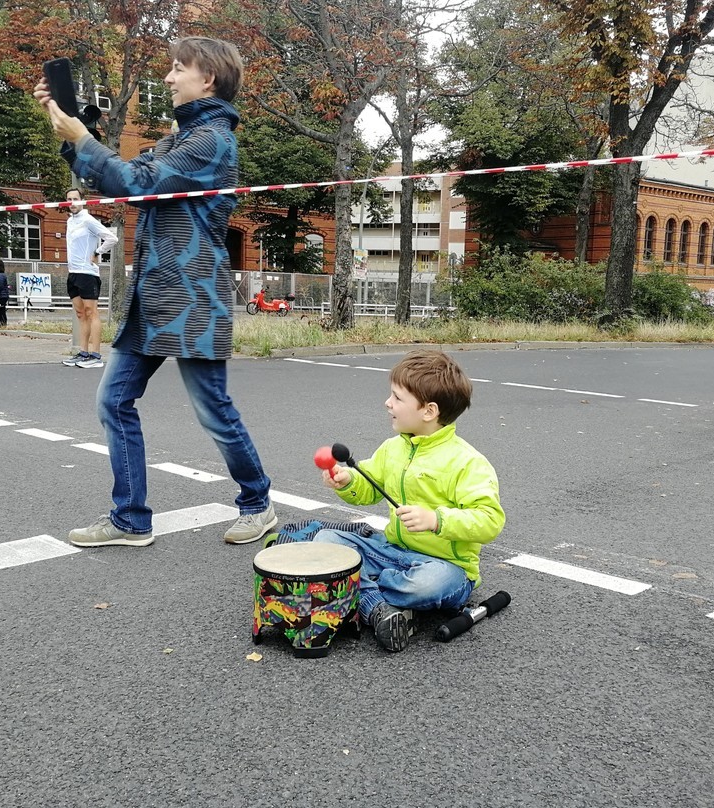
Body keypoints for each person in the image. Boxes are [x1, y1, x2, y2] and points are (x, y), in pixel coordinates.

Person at [35, 36, 276, 548]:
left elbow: (132, 183)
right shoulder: (180, 138)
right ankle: (130, 519)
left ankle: (257, 502)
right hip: (156, 295)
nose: (167, 78)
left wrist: (82, 135)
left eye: (176, 69)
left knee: (213, 409)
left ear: (207, 79)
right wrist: (72, 124)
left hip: (193, 298)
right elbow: (124, 177)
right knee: (114, 400)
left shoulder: (211, 141)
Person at [314, 349, 505, 652]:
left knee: (426, 584)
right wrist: (347, 481)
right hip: (392, 551)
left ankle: (359, 590)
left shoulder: (467, 462)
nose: (387, 403)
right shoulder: (392, 449)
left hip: (447, 567)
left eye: (397, 398)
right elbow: (368, 489)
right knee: (324, 539)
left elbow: (490, 520)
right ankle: (380, 605)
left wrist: (436, 520)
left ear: (429, 411)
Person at [62, 187, 118, 368]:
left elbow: (111, 238)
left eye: (75, 199)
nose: (72, 203)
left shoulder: (88, 220)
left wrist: (97, 252)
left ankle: (96, 355)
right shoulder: (70, 221)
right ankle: (83, 352)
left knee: (91, 312)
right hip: (73, 273)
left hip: (88, 273)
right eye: (69, 199)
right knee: (80, 314)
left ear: (82, 200)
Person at [0, 257, 9, 327]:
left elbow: (0, 286)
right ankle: (2, 324)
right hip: (4, 295)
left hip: (1, 295)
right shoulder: (2, 275)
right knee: (2, 310)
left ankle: (1, 324)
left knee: (0, 311)